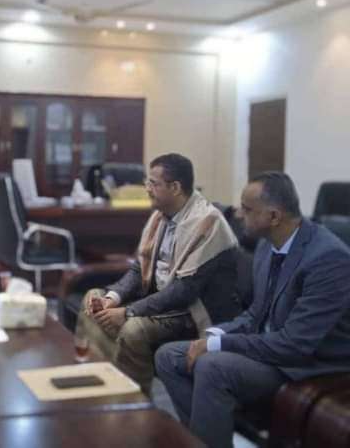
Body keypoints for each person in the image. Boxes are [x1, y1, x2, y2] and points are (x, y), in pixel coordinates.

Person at [155, 172, 350, 448]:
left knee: (212, 366)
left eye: (247, 209)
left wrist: (218, 344)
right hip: (270, 347)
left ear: (274, 216)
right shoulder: (268, 245)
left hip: (307, 363)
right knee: (169, 356)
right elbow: (256, 314)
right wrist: (215, 334)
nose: (238, 214)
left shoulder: (328, 259)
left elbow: (294, 345)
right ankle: (203, 439)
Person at [75, 153, 240, 394]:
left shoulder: (207, 223)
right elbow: (138, 268)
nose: (147, 189)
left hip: (191, 312)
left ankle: (133, 400)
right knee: (93, 300)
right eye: (147, 182)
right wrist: (112, 298)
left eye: (153, 183)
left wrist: (129, 312)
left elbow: (184, 291)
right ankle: (98, 383)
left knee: (133, 329)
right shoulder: (160, 216)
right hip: (159, 301)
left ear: (175, 188)